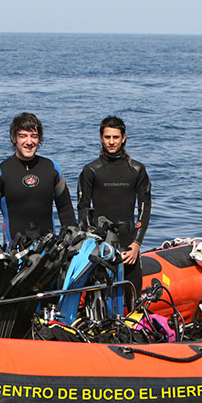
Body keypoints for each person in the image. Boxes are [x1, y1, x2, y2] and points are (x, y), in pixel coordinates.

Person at [77, 115, 152, 297]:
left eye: (116, 137)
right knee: (99, 299)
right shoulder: (91, 170)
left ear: (123, 138)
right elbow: (83, 209)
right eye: (107, 137)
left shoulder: (137, 170)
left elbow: (145, 207)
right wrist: (92, 243)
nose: (111, 142)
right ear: (101, 138)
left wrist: (136, 243)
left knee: (132, 297)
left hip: (128, 245)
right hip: (101, 244)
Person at [0, 112, 77, 247]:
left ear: (40, 139)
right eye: (23, 136)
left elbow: (65, 209)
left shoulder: (52, 168)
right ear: (14, 138)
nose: (29, 142)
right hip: (14, 254)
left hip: (48, 253)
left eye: (34, 136)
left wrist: (73, 243)